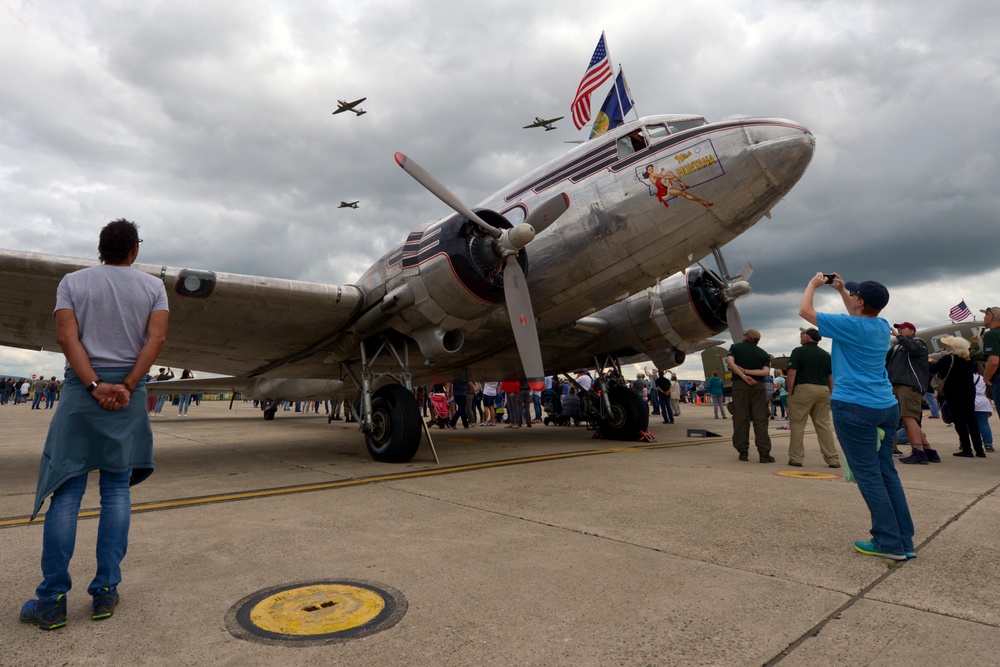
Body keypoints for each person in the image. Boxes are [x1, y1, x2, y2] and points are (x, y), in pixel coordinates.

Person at [21, 219, 169, 630]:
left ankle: (51, 600)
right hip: (128, 391)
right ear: (134, 250)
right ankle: (105, 590)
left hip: (81, 390)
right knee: (116, 489)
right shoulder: (153, 288)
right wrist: (126, 385)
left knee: (67, 494)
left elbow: (68, 339)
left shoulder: (72, 282)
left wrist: (93, 385)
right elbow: (154, 341)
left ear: (100, 248)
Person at [799, 273, 913, 561]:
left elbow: (805, 312)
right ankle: (904, 539)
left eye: (854, 295)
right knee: (886, 471)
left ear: (860, 301)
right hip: (886, 405)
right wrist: (841, 290)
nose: (850, 297)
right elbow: (857, 314)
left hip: (853, 406)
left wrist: (814, 284)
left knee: (868, 475)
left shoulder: (849, 326)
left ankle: (888, 542)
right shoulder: (881, 326)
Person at [785, 328, 840, 468]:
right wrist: (831, 392)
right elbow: (830, 376)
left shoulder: (798, 351)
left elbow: (791, 373)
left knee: (798, 425)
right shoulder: (825, 354)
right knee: (823, 425)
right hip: (823, 390)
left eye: (802, 334)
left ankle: (796, 458)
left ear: (808, 338)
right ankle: (832, 458)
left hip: (803, 389)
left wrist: (790, 392)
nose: (801, 336)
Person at [885, 321, 937, 464]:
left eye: (903, 328)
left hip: (908, 385)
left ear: (912, 331)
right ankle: (928, 450)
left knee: (909, 417)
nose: (899, 330)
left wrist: (899, 338)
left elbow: (914, 349)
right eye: (898, 329)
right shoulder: (897, 347)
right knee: (908, 419)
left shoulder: (917, 342)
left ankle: (918, 452)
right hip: (897, 384)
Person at [931, 337, 985, 458]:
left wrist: (929, 361)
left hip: (953, 392)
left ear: (953, 347)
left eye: (949, 345)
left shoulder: (948, 359)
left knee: (959, 420)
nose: (947, 347)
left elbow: (932, 369)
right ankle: (979, 449)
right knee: (971, 420)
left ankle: (967, 449)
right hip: (969, 391)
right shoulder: (969, 360)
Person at [726, 329, 774, 462]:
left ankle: (743, 452)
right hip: (758, 386)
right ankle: (764, 453)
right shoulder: (763, 353)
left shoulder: (735, 347)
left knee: (740, 417)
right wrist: (749, 373)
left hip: (740, 386)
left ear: (747, 336)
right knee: (761, 419)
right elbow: (766, 372)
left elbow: (730, 362)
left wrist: (743, 375)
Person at [980, 307, 1000, 413]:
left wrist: (986, 378)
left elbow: (993, 362)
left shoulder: (991, 335)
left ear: (992, 317)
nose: (984, 317)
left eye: (986, 314)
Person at [973, 371, 994, 453]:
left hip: (970, 400)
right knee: (984, 424)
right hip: (983, 401)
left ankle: (963, 442)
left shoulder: (966, 376)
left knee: (967, 424)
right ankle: (988, 444)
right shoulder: (983, 377)